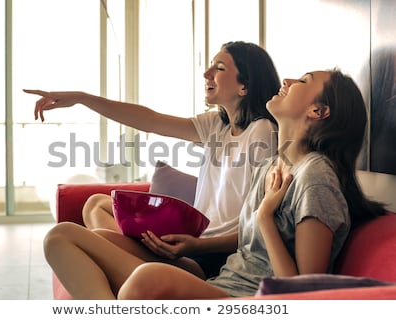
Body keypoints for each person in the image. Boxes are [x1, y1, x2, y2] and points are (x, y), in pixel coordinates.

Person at [40, 68, 386, 299]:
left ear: (318, 111)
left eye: (303, 81)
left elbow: (302, 293)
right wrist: (192, 246)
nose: (288, 80)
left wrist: (265, 216)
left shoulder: (315, 177)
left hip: (245, 297)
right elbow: (149, 119)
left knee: (144, 280)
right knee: (63, 237)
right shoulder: (274, 164)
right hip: (221, 281)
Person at [25, 41, 281, 279]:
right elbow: (149, 119)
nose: (207, 73)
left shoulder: (262, 131)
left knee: (90, 240)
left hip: (213, 255)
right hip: (193, 243)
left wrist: (196, 246)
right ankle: (141, 274)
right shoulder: (217, 124)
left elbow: (258, 222)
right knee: (97, 205)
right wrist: (83, 98)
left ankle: (146, 275)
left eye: (219, 67)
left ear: (244, 86)